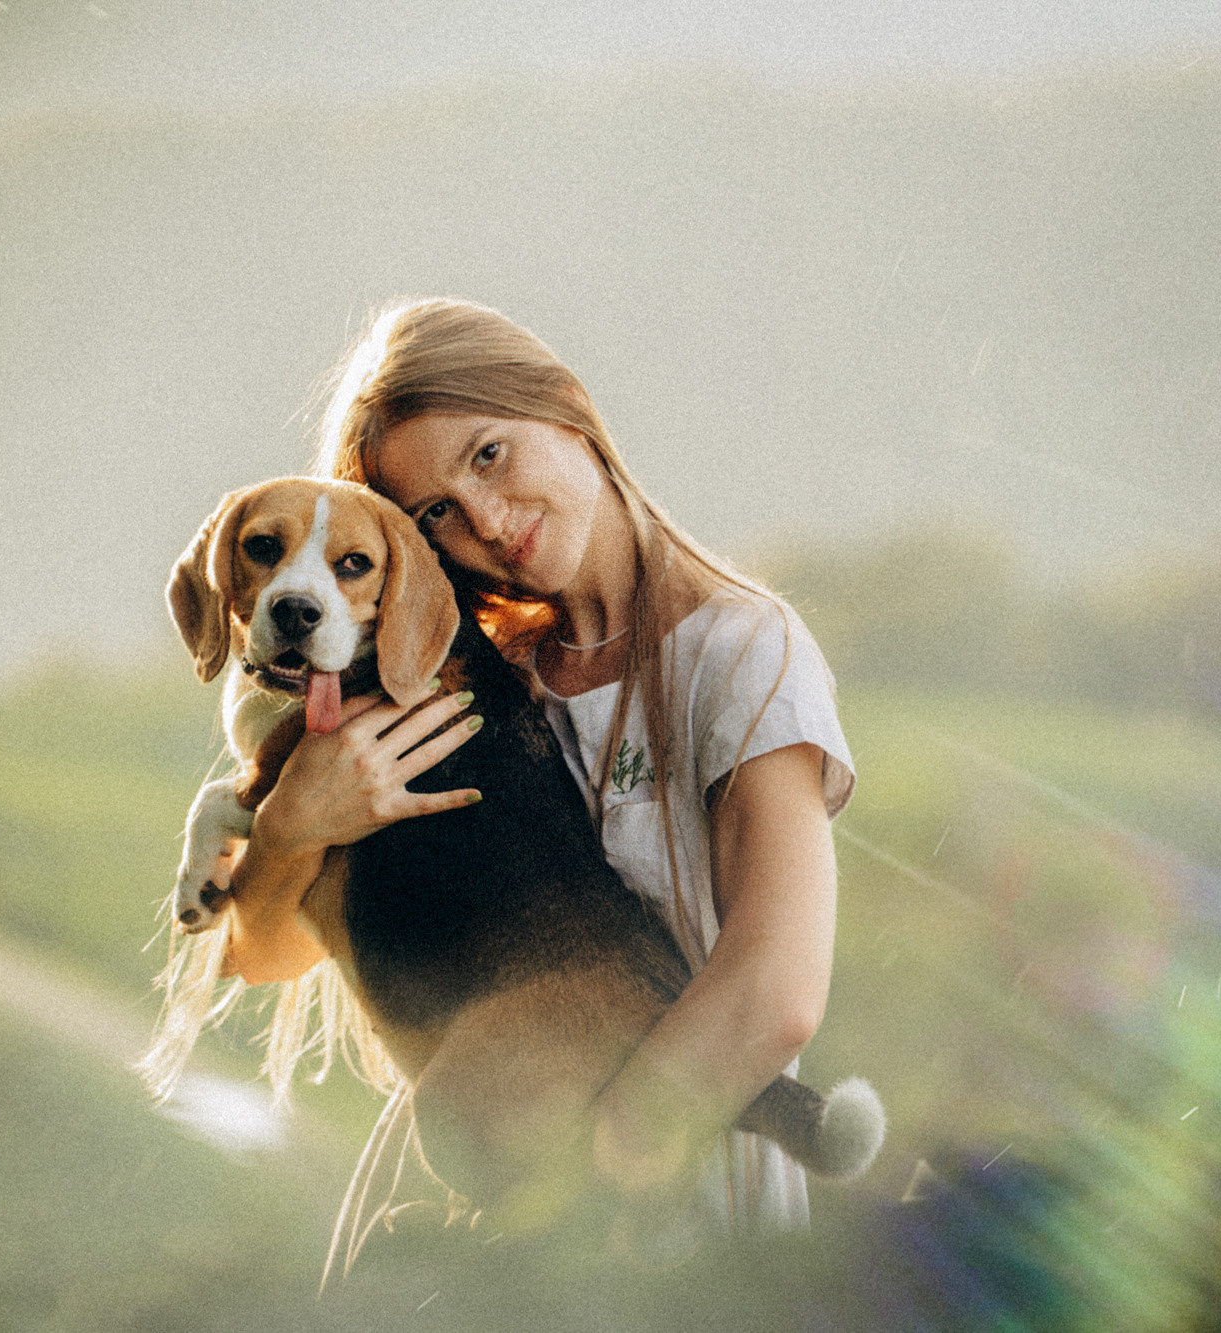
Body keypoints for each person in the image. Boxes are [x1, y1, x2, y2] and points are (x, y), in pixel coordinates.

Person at [218, 298, 855, 1233]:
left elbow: (774, 994)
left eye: (489, 454)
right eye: (436, 511)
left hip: (657, 1205)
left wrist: (593, 1177)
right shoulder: (463, 677)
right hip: (471, 1163)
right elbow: (268, 954)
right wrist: (289, 827)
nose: (484, 518)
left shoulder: (740, 653)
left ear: (566, 406)